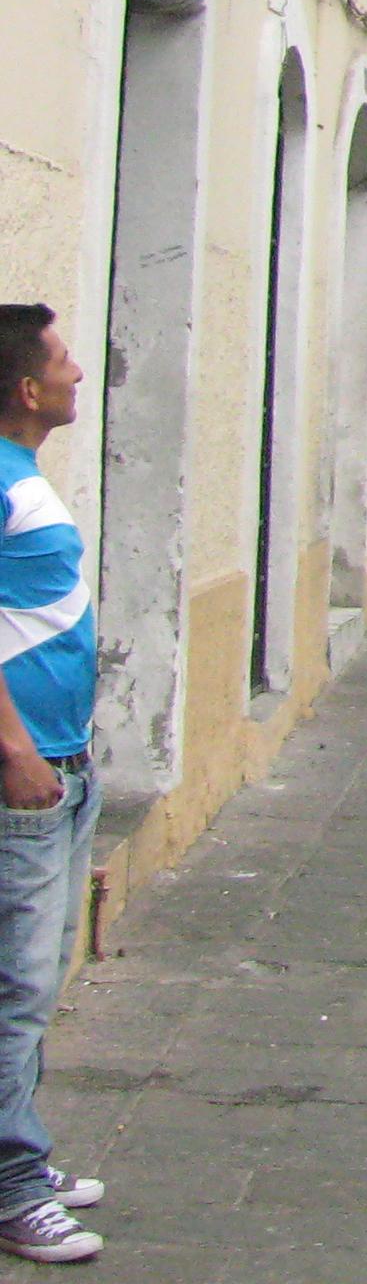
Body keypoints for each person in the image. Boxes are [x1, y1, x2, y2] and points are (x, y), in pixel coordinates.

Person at [0, 307, 103, 1263]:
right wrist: (16, 750)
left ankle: (21, 1155)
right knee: (15, 991)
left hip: (62, 770)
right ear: (28, 390)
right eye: (65, 360)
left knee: (34, 980)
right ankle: (12, 1185)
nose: (80, 371)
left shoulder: (21, 478)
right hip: (22, 779)